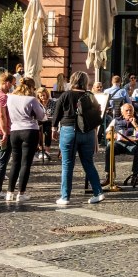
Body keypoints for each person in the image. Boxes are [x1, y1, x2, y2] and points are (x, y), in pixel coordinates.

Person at [52, 71, 105, 206]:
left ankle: (65, 197)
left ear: (72, 80)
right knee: (88, 163)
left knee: (67, 164)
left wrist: (54, 130)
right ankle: (98, 192)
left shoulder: (66, 95)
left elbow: (56, 114)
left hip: (69, 131)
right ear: (86, 82)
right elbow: (96, 116)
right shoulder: (90, 96)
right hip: (88, 133)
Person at [112, 102, 138, 187]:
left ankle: (135, 175)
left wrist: (135, 124)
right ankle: (110, 175)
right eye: (127, 110)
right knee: (109, 147)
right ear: (122, 112)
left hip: (132, 144)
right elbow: (108, 134)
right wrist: (118, 136)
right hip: (119, 143)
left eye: (131, 110)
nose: (129, 112)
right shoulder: (116, 120)